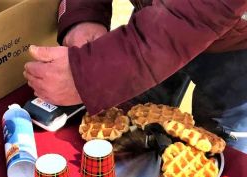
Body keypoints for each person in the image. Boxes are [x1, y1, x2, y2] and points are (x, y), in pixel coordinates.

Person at [24, 0, 247, 152]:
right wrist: (85, 14)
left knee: (226, 155)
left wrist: (91, 74)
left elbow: (198, 11)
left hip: (236, 49)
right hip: (149, 26)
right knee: (133, 126)